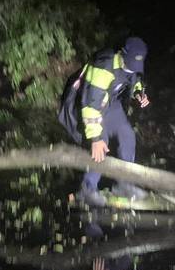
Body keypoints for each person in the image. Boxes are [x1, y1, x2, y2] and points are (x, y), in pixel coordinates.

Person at [58, 36, 150, 207]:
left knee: (127, 135)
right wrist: (95, 139)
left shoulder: (131, 66)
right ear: (122, 54)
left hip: (110, 103)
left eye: (135, 66)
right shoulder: (104, 68)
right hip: (87, 105)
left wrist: (139, 94)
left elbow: (133, 79)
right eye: (129, 64)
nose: (131, 69)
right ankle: (87, 189)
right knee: (102, 143)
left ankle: (124, 184)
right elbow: (90, 106)